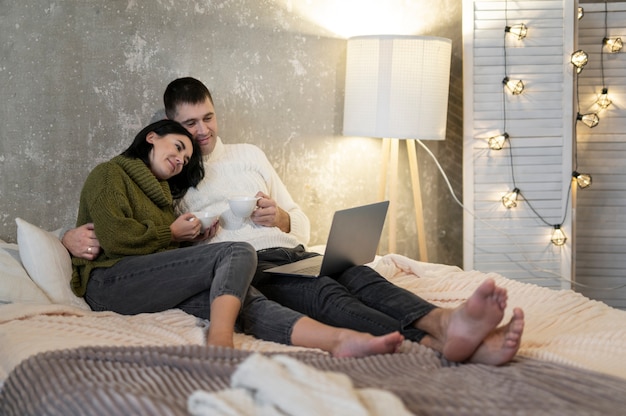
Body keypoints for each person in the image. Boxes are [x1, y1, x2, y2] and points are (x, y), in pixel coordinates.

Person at [65, 78, 524, 364]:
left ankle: (443, 321)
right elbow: (158, 254)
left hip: (292, 249)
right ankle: (430, 343)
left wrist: (282, 216)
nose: (200, 133)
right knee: (322, 292)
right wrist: (70, 237)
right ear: (168, 126)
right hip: (254, 266)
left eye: (208, 118)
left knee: (355, 272)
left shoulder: (250, 156)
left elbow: (301, 222)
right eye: (188, 126)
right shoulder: (174, 183)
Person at [70, 118, 405, 357]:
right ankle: (220, 339)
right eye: (177, 146)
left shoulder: (162, 194)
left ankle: (338, 340)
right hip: (110, 283)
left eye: (186, 157)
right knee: (237, 252)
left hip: (146, 283)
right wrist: (171, 233)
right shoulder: (109, 173)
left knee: (243, 299)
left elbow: (156, 248)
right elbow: (115, 238)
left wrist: (188, 239)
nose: (180, 159)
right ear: (151, 137)